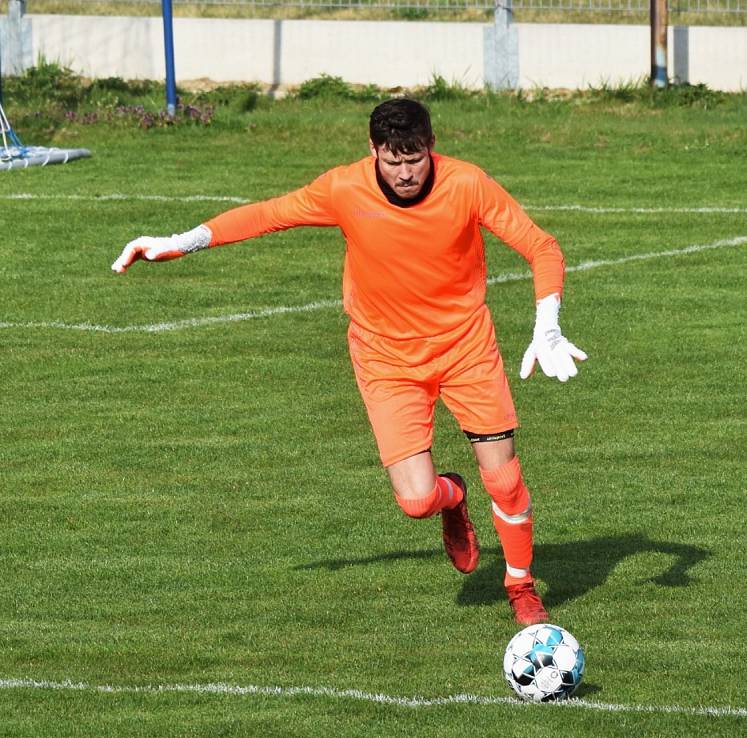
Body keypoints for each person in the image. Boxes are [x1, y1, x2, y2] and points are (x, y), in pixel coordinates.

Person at [112, 98, 586, 625]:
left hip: (465, 349)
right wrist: (179, 243)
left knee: (505, 479)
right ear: (372, 151)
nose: (405, 172)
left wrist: (548, 323)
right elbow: (269, 214)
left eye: (415, 159)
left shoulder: (468, 184)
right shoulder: (344, 188)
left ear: (432, 147)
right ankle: (453, 498)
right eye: (393, 160)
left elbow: (541, 247)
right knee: (415, 500)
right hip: (385, 359)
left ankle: (520, 585)